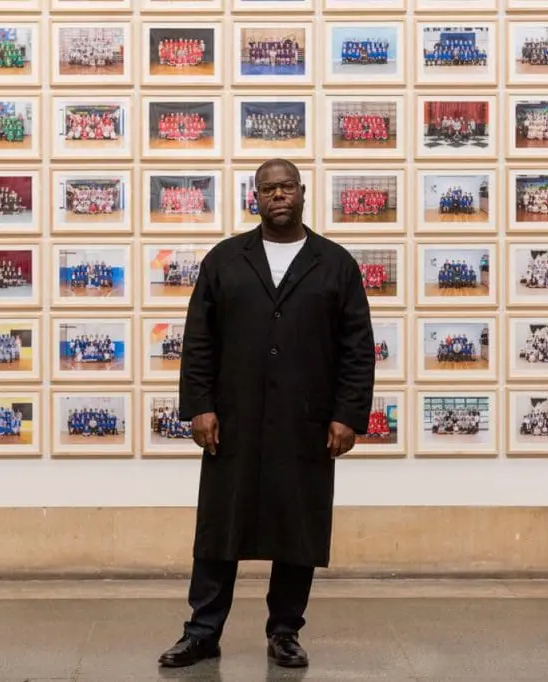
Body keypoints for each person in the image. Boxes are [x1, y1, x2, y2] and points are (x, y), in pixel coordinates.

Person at [158, 158, 376, 669]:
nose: (278, 195)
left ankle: (285, 632)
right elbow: (199, 342)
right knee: (219, 528)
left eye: (286, 187)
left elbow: (357, 348)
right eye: (267, 188)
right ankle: (202, 630)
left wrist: (347, 415)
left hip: (306, 421)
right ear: (254, 197)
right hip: (232, 420)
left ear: (302, 193)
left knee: (296, 527)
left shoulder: (335, 263)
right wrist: (200, 407)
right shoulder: (226, 260)